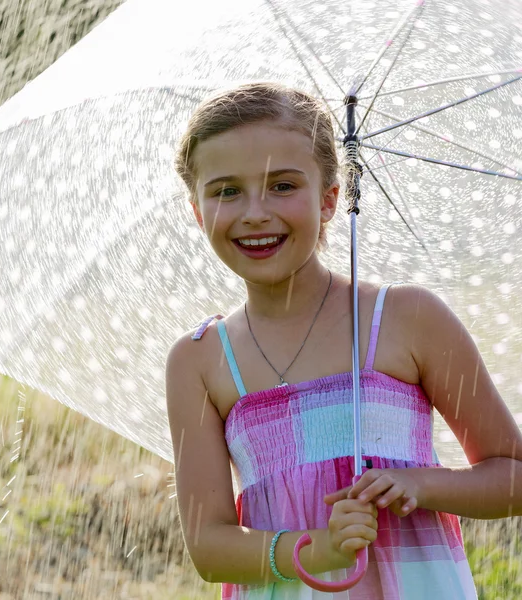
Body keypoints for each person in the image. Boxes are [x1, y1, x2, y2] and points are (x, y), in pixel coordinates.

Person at [165, 82, 522, 599]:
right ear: (199, 213)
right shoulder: (200, 360)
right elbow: (208, 545)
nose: (255, 212)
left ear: (331, 198)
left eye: (283, 186)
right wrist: (316, 551)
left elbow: (511, 474)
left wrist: (420, 484)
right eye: (226, 191)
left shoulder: (407, 319)